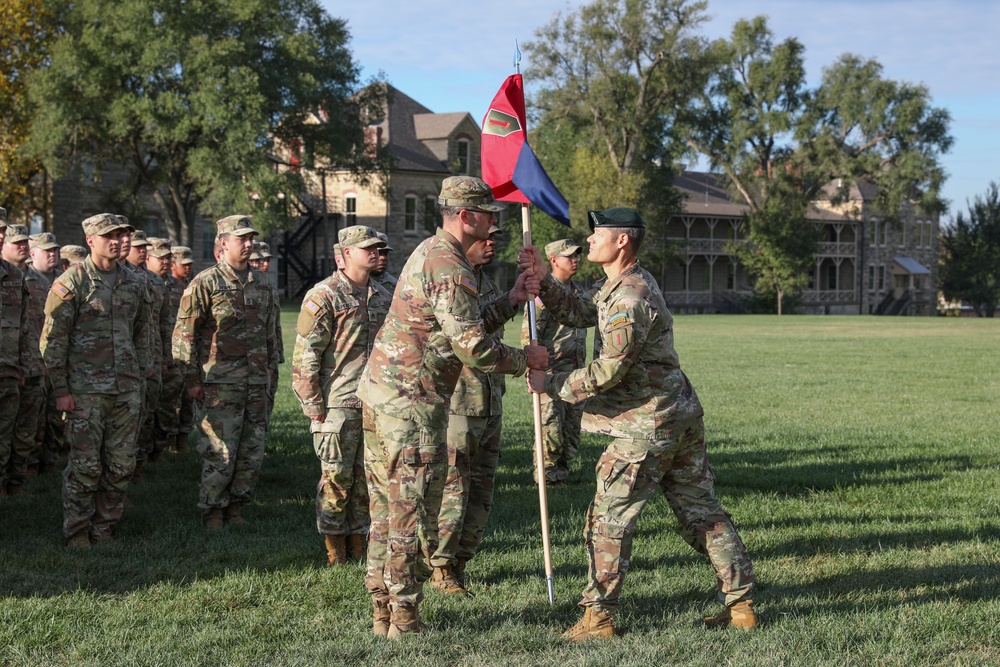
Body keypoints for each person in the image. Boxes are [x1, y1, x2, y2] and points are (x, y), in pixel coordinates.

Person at [522, 207, 757, 639]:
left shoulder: (630, 298)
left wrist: (551, 383)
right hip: (674, 415)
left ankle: (598, 617)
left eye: (597, 234)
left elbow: (609, 370)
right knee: (701, 513)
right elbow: (579, 311)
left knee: (608, 521)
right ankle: (741, 606)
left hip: (647, 426)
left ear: (622, 241)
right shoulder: (620, 286)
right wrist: (545, 282)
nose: (589, 241)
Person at [356, 176, 547, 638]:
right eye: (487, 214)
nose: (493, 222)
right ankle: (403, 617)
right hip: (412, 406)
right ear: (466, 217)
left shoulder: (433, 252)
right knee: (409, 513)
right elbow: (473, 348)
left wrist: (511, 301)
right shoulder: (450, 265)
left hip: (385, 396)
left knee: (386, 512)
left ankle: (383, 610)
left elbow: (456, 323)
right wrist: (528, 361)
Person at [431, 223, 533, 595]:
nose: (491, 244)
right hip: (458, 402)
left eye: (495, 238)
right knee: (453, 489)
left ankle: (461, 560)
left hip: (489, 400)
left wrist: (513, 297)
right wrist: (526, 360)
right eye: (483, 238)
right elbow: (466, 342)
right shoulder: (448, 281)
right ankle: (440, 567)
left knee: (481, 490)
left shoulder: (485, 282)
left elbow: (488, 323)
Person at [40, 213, 149, 547]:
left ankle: (104, 528)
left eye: (120, 235)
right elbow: (53, 341)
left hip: (126, 390)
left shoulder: (134, 281)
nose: (116, 241)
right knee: (85, 465)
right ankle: (77, 531)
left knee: (121, 464)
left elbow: (143, 335)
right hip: (84, 391)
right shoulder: (72, 281)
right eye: (109, 236)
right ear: (91, 240)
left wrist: (140, 379)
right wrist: (60, 390)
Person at [292, 225, 391, 566]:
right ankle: (335, 549)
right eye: (369, 248)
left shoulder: (383, 293)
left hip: (375, 403)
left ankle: (359, 543)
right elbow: (306, 354)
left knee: (367, 479)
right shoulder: (325, 295)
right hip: (337, 404)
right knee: (336, 479)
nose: (376, 253)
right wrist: (313, 406)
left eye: (378, 248)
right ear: (346, 253)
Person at [173, 215, 278, 531]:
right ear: (223, 243)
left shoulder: (262, 284)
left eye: (250, 239)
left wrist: (270, 371)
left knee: (251, 450)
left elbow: (270, 333)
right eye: (240, 239)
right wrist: (191, 380)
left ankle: (236, 506)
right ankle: (213, 511)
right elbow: (184, 335)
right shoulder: (206, 283)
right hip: (220, 384)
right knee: (220, 450)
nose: (248, 245)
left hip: (256, 381)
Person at [521, 238, 588, 485]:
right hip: (550, 373)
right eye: (569, 256)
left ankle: (562, 473)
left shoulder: (579, 293)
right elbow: (530, 334)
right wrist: (535, 371)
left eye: (576, 256)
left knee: (571, 429)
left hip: (576, 372)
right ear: (553, 260)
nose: (575, 260)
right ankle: (546, 478)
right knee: (551, 428)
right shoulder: (543, 295)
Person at [3, 225, 47, 493]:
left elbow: (27, 327)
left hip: (17, 366)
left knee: (16, 431)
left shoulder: (16, 277)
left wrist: (28, 364)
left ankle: (15, 480)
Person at [0, 211, 32, 498]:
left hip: (7, 371)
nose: (0, 235)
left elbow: (23, 327)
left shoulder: (14, 276)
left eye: (1, 230)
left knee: (4, 437)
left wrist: (22, 366)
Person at [27, 232, 64, 475]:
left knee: (56, 416)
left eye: (54, 250)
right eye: (46, 250)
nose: (52, 254)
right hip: (33, 359)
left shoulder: (65, 280)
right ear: (33, 254)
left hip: (60, 359)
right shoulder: (25, 280)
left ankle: (50, 464)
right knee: (34, 418)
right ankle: (30, 467)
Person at [145, 238, 177, 459]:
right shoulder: (142, 282)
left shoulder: (171, 285)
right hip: (145, 356)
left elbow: (166, 324)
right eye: (160, 258)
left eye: (168, 258)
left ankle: (159, 448)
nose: (166, 261)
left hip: (164, 354)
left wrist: (166, 357)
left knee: (164, 404)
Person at [166, 246, 195, 450]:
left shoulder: (190, 286)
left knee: (187, 398)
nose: (188, 268)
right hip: (172, 351)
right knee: (171, 399)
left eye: (190, 265)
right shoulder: (167, 288)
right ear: (173, 265)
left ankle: (182, 441)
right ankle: (169, 443)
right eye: (184, 265)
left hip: (189, 351)